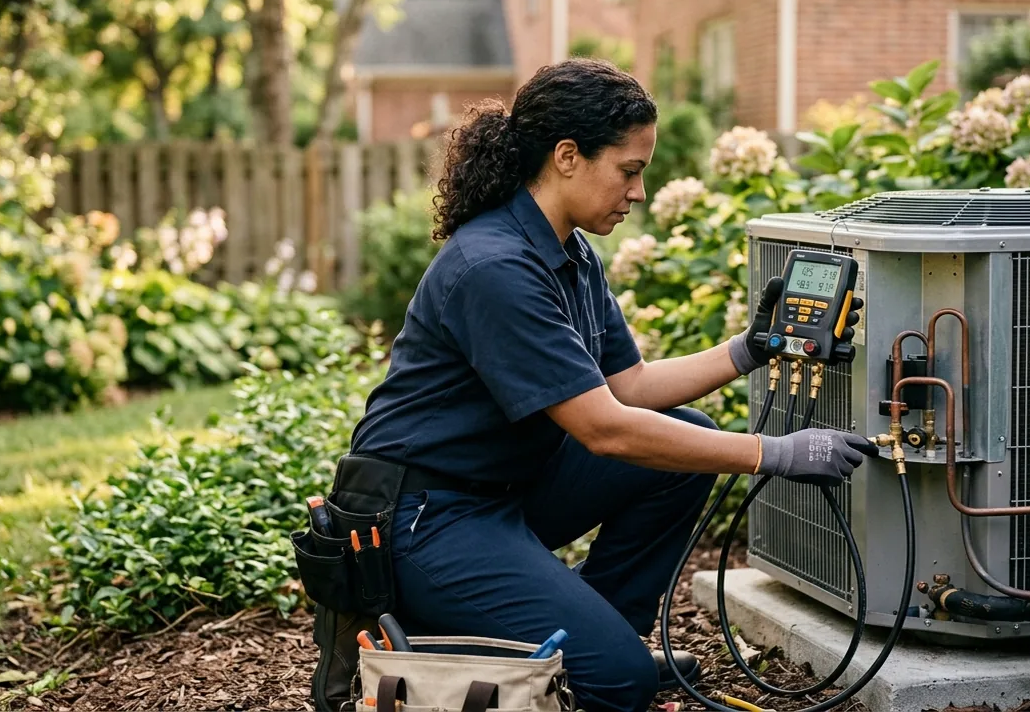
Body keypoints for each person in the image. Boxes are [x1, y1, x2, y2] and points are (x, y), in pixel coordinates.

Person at [311, 58, 873, 712]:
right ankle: (586, 658)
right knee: (619, 683)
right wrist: (775, 454)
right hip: (424, 519)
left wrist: (749, 349)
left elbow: (628, 387)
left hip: (502, 494)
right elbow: (604, 430)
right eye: (630, 171)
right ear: (568, 157)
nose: (638, 192)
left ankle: (595, 637)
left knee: (685, 449)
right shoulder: (494, 266)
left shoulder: (569, 253)